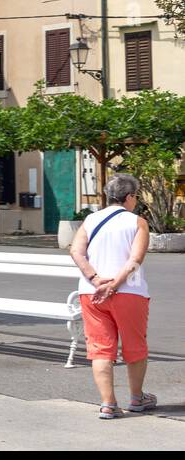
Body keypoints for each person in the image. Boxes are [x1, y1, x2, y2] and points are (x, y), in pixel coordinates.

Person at [69, 173, 155, 420]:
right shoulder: (137, 222)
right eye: (135, 197)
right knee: (135, 346)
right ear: (130, 197)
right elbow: (134, 261)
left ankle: (108, 403)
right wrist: (115, 284)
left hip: (92, 293)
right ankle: (137, 398)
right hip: (130, 293)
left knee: (100, 348)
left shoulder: (90, 220)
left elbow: (76, 251)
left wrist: (96, 280)